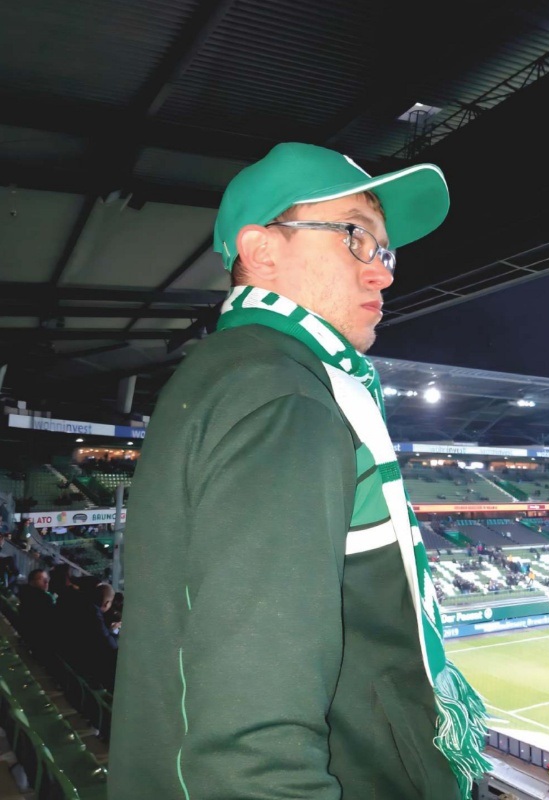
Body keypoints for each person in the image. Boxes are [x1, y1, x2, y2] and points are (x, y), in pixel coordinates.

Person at [109, 142, 489, 800]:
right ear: (262, 251)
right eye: (354, 237)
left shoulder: (237, 372)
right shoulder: (284, 393)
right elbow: (250, 746)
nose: (381, 274)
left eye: (384, 251)